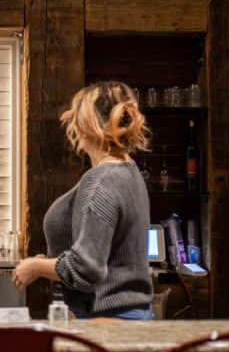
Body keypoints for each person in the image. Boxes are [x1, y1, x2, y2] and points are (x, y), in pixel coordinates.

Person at [11, 81, 154, 320]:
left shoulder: (101, 180)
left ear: (89, 125)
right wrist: (50, 264)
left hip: (108, 322)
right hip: (128, 317)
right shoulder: (128, 171)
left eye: (76, 116)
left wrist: (33, 267)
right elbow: (100, 250)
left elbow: (85, 269)